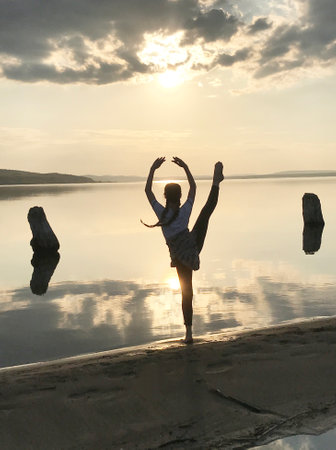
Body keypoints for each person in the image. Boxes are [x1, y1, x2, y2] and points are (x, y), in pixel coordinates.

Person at [143, 156, 224, 343]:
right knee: (206, 211)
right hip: (193, 244)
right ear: (179, 197)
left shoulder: (161, 214)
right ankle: (216, 184)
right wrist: (186, 167)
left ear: (165, 197)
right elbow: (193, 189)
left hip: (181, 257)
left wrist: (153, 169)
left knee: (186, 291)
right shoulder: (184, 211)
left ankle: (188, 334)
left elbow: (147, 191)